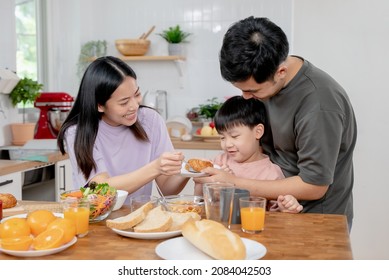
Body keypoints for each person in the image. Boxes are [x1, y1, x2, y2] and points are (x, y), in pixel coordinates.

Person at [196, 17, 357, 229]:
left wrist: (232, 183)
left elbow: (314, 186)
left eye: (252, 90)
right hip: (275, 214)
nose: (245, 97)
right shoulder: (269, 79)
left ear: (281, 72)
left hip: (315, 221)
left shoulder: (319, 104)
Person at [57, 56, 189, 203]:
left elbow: (167, 188)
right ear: (99, 105)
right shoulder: (77, 132)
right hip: (97, 220)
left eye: (137, 94)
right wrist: (155, 168)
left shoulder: (150, 120)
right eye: (124, 102)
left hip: (139, 217)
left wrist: (190, 171)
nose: (134, 106)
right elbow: (100, 188)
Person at [194, 95, 303, 213]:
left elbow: (274, 215)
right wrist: (201, 181)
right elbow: (199, 202)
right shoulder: (219, 162)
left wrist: (286, 207)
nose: (227, 144)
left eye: (234, 136)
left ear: (258, 132)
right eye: (222, 137)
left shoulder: (271, 173)